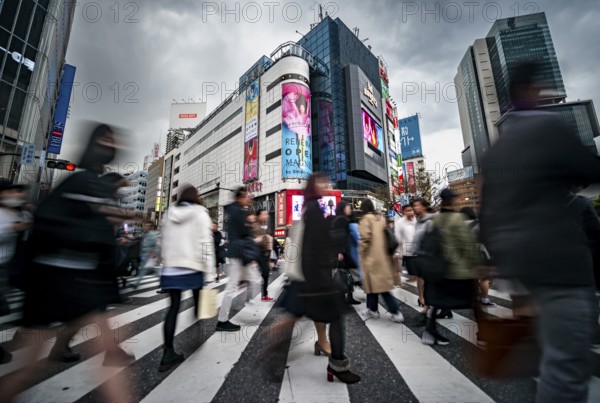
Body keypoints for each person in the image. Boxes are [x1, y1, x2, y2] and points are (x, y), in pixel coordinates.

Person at [479, 61, 600, 403]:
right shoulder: (547, 127)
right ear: (530, 91)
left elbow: (488, 214)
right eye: (540, 88)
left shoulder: (496, 151)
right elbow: (588, 168)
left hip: (523, 268)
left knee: (553, 352)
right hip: (560, 263)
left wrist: (496, 260)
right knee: (568, 365)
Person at [1, 124, 133, 401]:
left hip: (82, 283)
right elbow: (51, 222)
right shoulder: (81, 182)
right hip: (54, 282)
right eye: (106, 139)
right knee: (29, 364)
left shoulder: (92, 184)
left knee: (110, 351)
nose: (112, 146)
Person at [262, 173, 360, 384]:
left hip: (307, 280)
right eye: (324, 183)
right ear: (316, 187)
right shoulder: (315, 210)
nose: (328, 185)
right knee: (334, 318)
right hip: (314, 281)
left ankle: (275, 352)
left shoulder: (310, 208)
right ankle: (337, 364)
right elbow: (313, 248)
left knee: (296, 319)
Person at [159, 185, 214, 371]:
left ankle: (168, 352)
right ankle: (197, 333)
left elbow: (163, 240)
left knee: (173, 308)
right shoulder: (200, 214)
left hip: (171, 268)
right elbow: (206, 243)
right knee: (199, 301)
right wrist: (211, 271)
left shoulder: (169, 213)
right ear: (196, 197)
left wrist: (166, 262)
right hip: (193, 266)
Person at [422, 189, 479, 346]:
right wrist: (477, 264)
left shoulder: (435, 220)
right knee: (474, 302)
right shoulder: (457, 219)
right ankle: (484, 334)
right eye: (456, 199)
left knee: (439, 301)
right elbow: (467, 245)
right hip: (459, 270)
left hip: (440, 269)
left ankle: (430, 331)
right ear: (452, 201)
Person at [216, 187, 262, 332]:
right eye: (246, 196)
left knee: (254, 280)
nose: (248, 198)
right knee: (231, 287)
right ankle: (222, 321)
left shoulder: (237, 210)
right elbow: (245, 231)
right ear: (240, 198)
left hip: (240, 253)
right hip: (239, 253)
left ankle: (246, 295)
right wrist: (250, 221)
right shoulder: (238, 211)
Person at [358, 199, 404, 323]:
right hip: (382, 258)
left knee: (381, 288)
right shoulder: (379, 219)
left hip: (371, 259)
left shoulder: (365, 220)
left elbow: (365, 238)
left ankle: (396, 312)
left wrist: (361, 251)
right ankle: (372, 310)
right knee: (374, 287)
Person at [331, 201, 360, 304]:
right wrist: (340, 252)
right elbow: (337, 236)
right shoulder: (340, 219)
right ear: (342, 208)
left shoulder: (342, 219)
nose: (349, 210)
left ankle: (348, 297)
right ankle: (341, 299)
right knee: (342, 275)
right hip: (342, 252)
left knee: (347, 275)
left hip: (345, 251)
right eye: (347, 208)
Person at [253, 209, 274, 301]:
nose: (267, 216)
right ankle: (264, 294)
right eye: (264, 214)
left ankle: (264, 295)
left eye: (267, 214)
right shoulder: (255, 226)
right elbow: (253, 240)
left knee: (266, 274)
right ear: (258, 216)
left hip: (264, 254)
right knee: (265, 273)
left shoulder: (261, 226)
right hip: (258, 254)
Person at [132, 221, 160, 289]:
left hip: (149, 255)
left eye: (147, 226)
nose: (145, 227)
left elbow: (156, 245)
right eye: (145, 225)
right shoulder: (145, 234)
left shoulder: (152, 234)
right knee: (151, 270)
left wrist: (154, 253)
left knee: (143, 270)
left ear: (151, 227)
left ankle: (136, 284)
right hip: (145, 254)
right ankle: (161, 281)